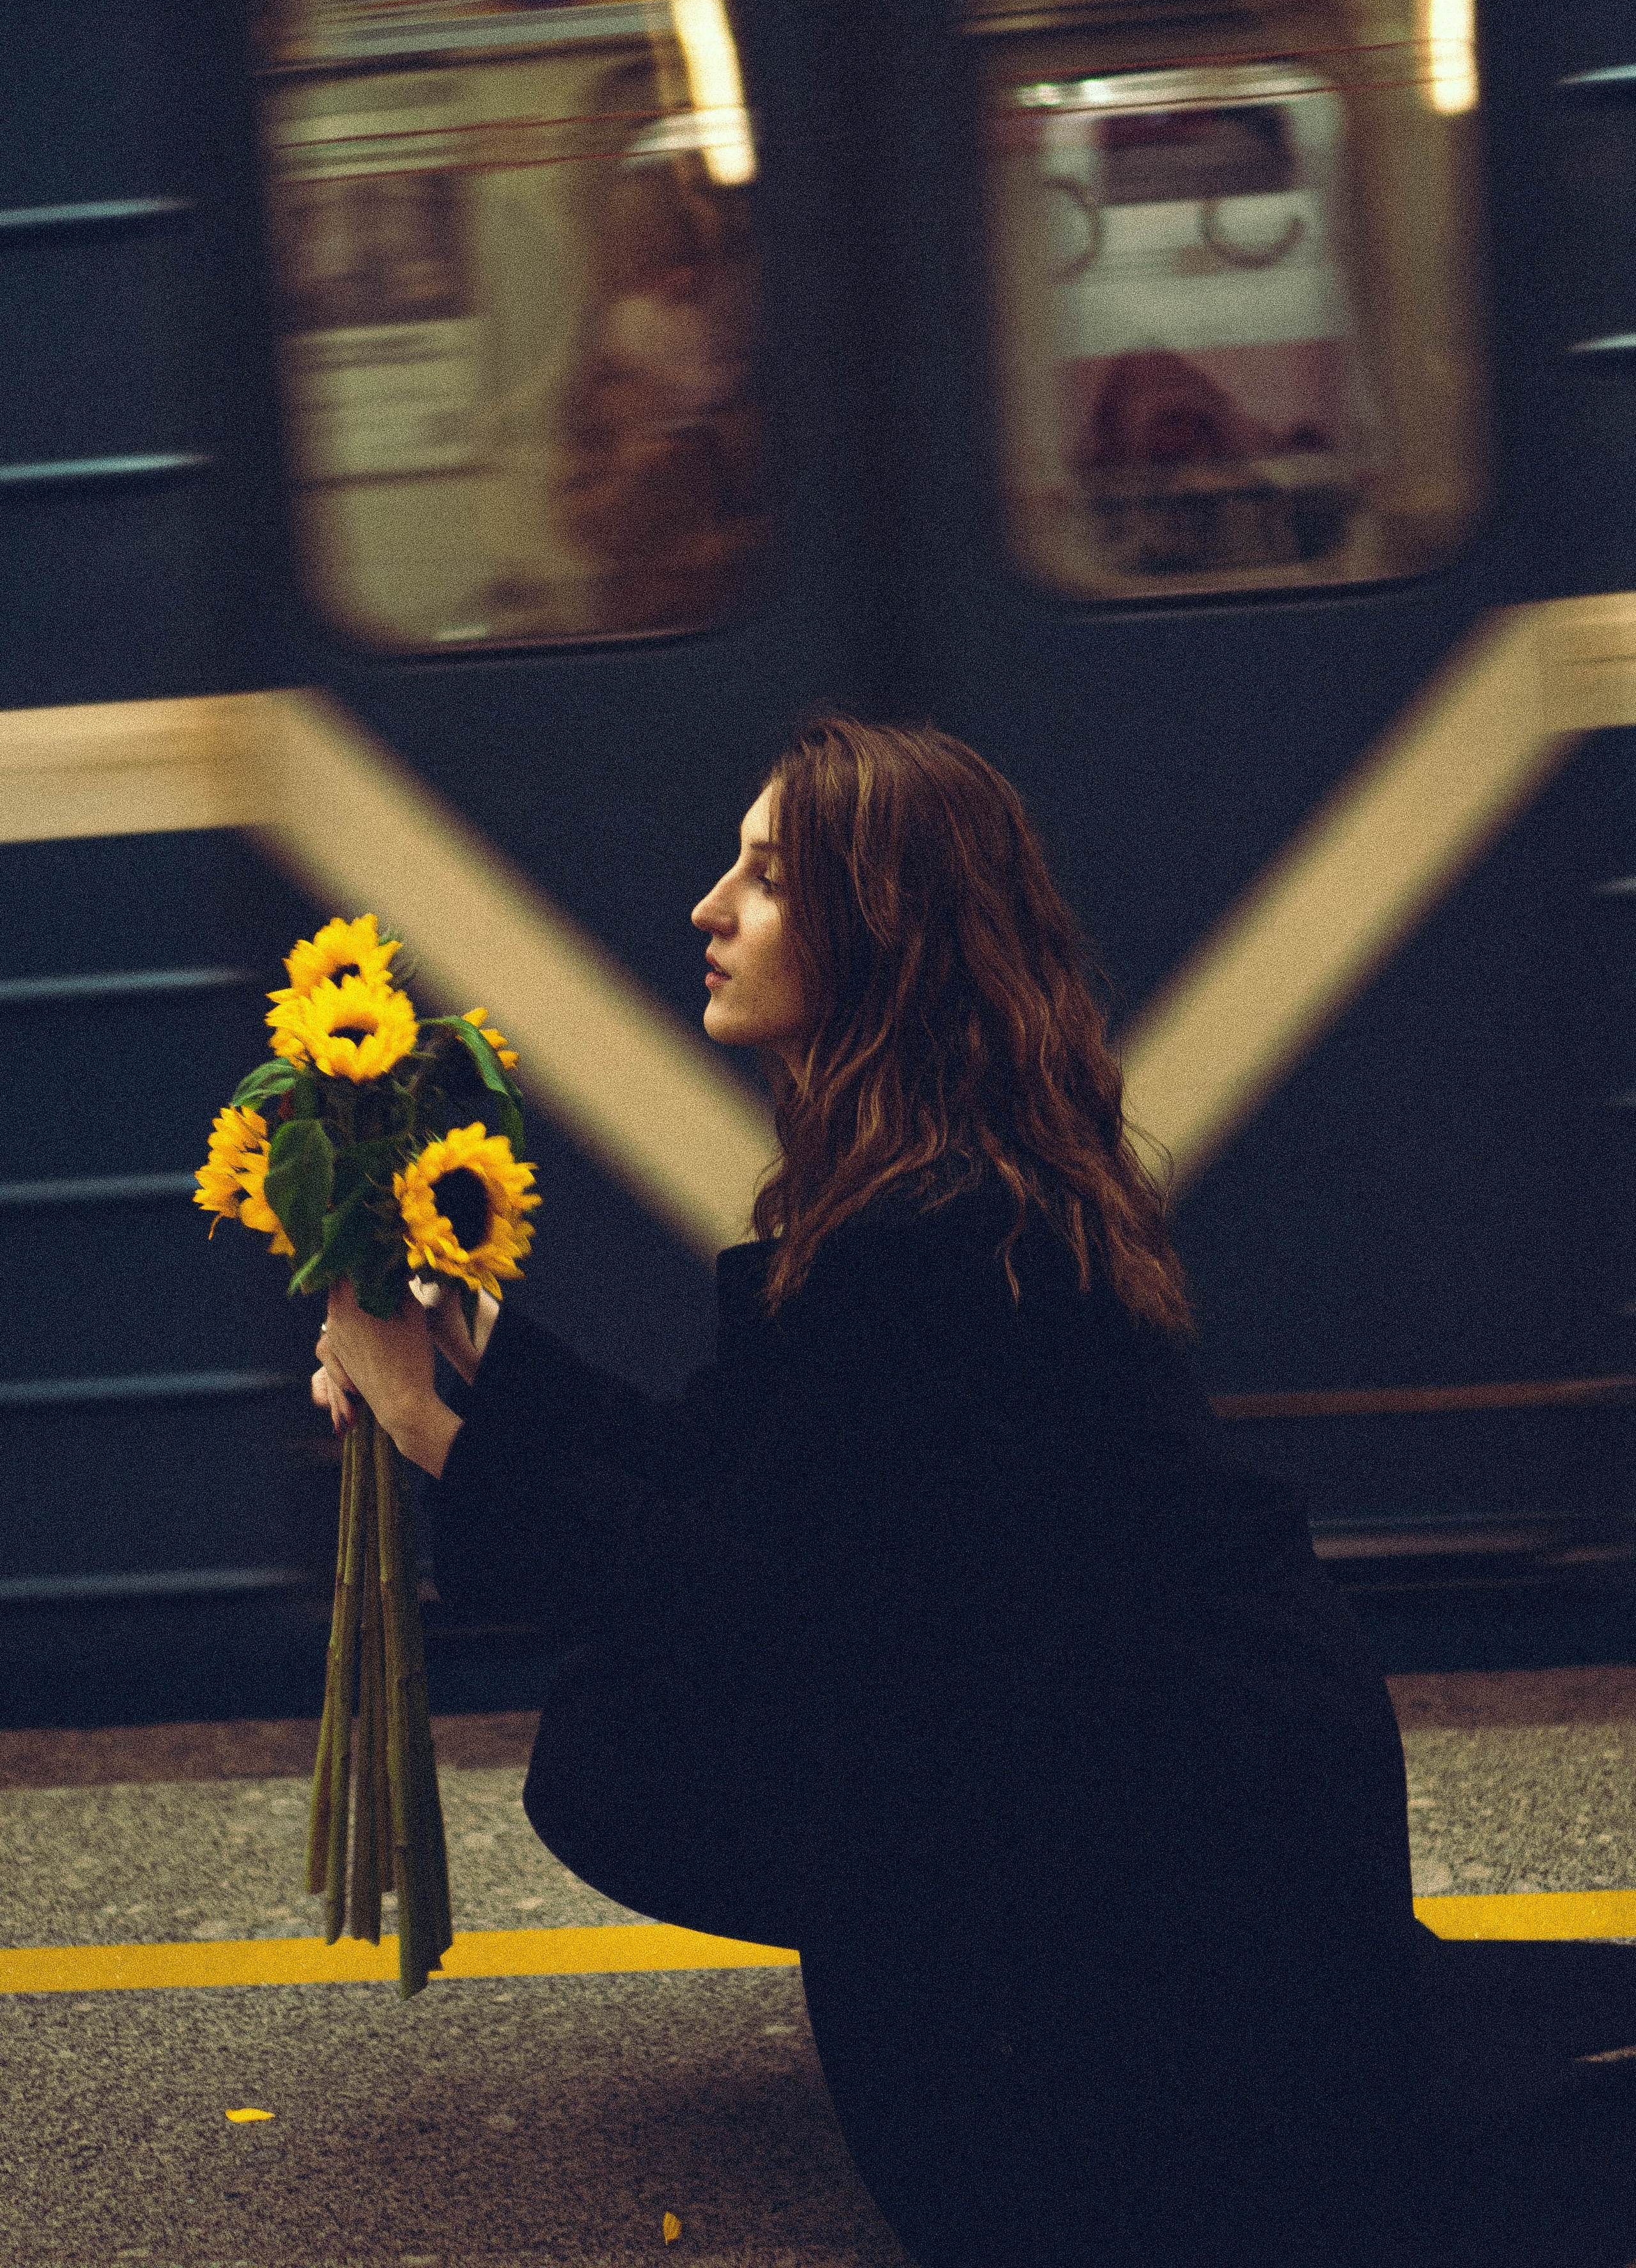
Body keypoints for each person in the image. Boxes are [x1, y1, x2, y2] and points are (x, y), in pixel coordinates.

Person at [316, 713, 1636, 2268]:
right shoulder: (917, 1187)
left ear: (886, 933)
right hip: (1157, 1776)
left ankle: (1046, 2009)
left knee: (665, 1724)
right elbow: (721, 1460)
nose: (706, 908)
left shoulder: (940, 1237)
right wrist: (472, 1344)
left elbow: (740, 1591)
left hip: (1177, 1830)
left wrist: (428, 1430)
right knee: (630, 1715)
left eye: (764, 877)